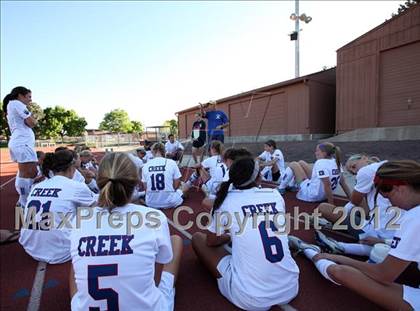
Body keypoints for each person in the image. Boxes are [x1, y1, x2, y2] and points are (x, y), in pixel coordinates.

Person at [288, 160, 420, 311]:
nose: (391, 204)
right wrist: (382, 240)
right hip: (381, 238)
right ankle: (335, 247)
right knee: (382, 249)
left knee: (340, 272)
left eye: (388, 196)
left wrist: (338, 258)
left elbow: (383, 274)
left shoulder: (414, 217)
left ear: (399, 188)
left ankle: (311, 251)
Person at [69, 152, 183, 310]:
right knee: (175, 241)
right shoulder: (153, 217)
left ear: (100, 180)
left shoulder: (79, 220)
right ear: (136, 182)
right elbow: (158, 270)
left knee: (76, 259)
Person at [192, 157, 299, 310]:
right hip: (290, 287)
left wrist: (229, 236)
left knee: (197, 238)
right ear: (258, 177)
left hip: (250, 297)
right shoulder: (275, 195)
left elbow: (210, 241)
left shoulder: (225, 201)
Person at [315, 154, 403, 256]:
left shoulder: (366, 171)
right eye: (352, 172)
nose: (355, 172)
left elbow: (354, 201)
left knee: (324, 208)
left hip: (379, 232)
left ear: (364, 158)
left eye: (354, 167)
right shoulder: (388, 165)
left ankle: (341, 246)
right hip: (399, 234)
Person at [19, 149, 96, 264]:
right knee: (92, 213)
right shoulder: (76, 186)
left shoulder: (37, 186)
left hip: (30, 247)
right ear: (72, 167)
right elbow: (99, 206)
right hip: (62, 251)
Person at [277, 142, 351, 204]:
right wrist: (351, 199)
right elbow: (343, 183)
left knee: (293, 164)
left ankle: (281, 188)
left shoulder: (320, 163)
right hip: (323, 194)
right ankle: (291, 186)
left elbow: (327, 184)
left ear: (324, 153)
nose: (315, 153)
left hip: (311, 195)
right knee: (301, 162)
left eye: (317, 151)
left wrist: (331, 205)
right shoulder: (336, 162)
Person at [4, 87, 38, 207]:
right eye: (28, 97)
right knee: (29, 172)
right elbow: (32, 123)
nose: (30, 99)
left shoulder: (13, 105)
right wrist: (33, 119)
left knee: (27, 172)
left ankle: (23, 199)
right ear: (20, 95)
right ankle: (24, 201)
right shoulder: (17, 104)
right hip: (22, 143)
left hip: (21, 142)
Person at [142, 143, 183, 209]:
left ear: (153, 151)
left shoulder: (145, 165)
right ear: (164, 151)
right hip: (170, 202)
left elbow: (145, 187)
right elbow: (177, 183)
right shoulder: (171, 162)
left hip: (151, 203)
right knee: (183, 187)